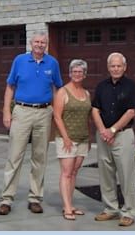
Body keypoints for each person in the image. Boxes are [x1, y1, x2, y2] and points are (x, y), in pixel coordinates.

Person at [0, 31, 63, 216]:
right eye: (37, 42)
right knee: (15, 156)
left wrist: (56, 112)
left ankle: (35, 198)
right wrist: (7, 111)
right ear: (31, 43)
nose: (40, 45)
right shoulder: (20, 61)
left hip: (44, 112)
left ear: (46, 45)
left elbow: (58, 89)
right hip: (22, 111)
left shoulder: (52, 63)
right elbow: (10, 87)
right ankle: (6, 199)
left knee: (40, 157)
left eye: (43, 42)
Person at [91, 52, 135, 227]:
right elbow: (95, 109)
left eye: (119, 66)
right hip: (103, 136)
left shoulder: (131, 86)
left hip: (122, 135)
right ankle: (110, 209)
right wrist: (103, 131)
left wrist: (112, 130)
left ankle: (129, 211)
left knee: (126, 174)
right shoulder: (101, 86)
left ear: (125, 67)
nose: (116, 68)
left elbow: (131, 111)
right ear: (108, 67)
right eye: (113, 66)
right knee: (106, 173)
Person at [52, 59, 92, 221]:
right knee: (66, 173)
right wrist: (66, 138)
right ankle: (67, 207)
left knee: (74, 172)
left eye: (80, 72)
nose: (77, 74)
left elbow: (87, 118)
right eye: (74, 71)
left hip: (82, 138)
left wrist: (88, 138)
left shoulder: (87, 93)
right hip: (66, 139)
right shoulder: (63, 92)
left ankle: (70, 204)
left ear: (84, 74)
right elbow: (57, 116)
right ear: (70, 73)